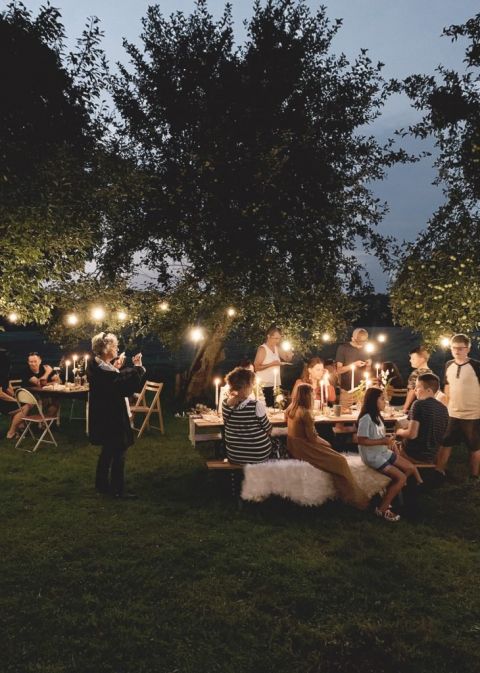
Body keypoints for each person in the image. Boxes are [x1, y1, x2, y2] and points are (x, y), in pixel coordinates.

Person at [285, 384, 369, 509]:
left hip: (294, 445)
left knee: (336, 459)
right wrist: (327, 443)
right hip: (304, 447)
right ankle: (353, 497)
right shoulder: (305, 413)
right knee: (340, 461)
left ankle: (346, 493)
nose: (313, 397)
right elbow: (312, 438)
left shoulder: (290, 408)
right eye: (312, 394)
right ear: (307, 396)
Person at [87, 332, 145, 498]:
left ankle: (102, 485)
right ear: (105, 348)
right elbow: (123, 387)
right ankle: (117, 490)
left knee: (107, 451)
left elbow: (114, 378)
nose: (117, 348)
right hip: (112, 417)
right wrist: (138, 368)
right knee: (119, 451)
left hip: (103, 415)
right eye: (114, 346)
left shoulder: (95, 365)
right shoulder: (104, 372)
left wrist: (116, 367)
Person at [357, 387, 422, 522]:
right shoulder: (366, 418)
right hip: (372, 456)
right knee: (401, 478)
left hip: (382, 451)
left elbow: (379, 436)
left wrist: (389, 440)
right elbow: (361, 440)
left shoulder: (378, 417)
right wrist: (383, 440)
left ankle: (388, 493)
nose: (385, 402)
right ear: (373, 401)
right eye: (382, 399)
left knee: (409, 468)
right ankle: (382, 509)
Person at [436, 334, 480, 482]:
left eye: (460, 348)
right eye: (454, 348)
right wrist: (447, 403)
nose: (457, 351)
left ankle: (474, 476)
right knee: (445, 442)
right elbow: (447, 384)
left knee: (474, 446)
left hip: (472, 414)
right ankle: (439, 471)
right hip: (453, 413)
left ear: (468, 349)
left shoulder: (476, 365)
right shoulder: (448, 364)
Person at [222, 367, 272, 464]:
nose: (253, 386)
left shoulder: (224, 404)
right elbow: (268, 429)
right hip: (257, 455)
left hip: (234, 455)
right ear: (246, 385)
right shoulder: (256, 405)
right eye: (252, 383)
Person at [395, 373, 449, 464]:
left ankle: (396, 475)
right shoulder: (443, 409)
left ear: (428, 390)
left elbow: (412, 434)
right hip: (431, 456)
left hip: (413, 454)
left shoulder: (418, 404)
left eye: (418, 387)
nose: (415, 390)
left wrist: (398, 431)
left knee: (390, 444)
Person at [254, 326, 293, 407]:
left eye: (279, 338)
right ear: (268, 336)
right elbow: (256, 367)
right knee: (267, 409)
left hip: (276, 385)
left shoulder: (276, 348)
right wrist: (272, 364)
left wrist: (290, 353)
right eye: (276, 338)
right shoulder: (262, 349)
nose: (278, 341)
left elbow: (287, 358)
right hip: (264, 386)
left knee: (277, 408)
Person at [402, 346, 447, 412]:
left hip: (417, 407)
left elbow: (411, 391)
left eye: (413, 358)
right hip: (430, 407)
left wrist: (405, 407)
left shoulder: (416, 373)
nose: (410, 360)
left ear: (422, 359)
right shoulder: (431, 373)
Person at [335, 328, 372, 406]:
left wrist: (369, 365)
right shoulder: (343, 348)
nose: (361, 345)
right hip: (347, 391)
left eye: (364, 342)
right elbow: (339, 370)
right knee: (345, 416)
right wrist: (353, 365)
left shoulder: (365, 349)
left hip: (362, 390)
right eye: (360, 342)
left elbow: (367, 372)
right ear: (353, 339)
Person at [0, 349, 29, 440]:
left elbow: (8, 387)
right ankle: (11, 432)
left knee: (25, 403)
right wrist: (15, 400)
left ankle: (20, 425)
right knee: (25, 406)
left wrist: (15, 396)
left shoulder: (4, 373)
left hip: (3, 399)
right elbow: (0, 394)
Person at [21, 352, 60, 418]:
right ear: (28, 362)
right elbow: (39, 384)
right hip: (29, 396)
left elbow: (59, 381)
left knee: (56, 401)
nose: (33, 364)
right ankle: (42, 420)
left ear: (40, 361)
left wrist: (48, 383)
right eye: (31, 362)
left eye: (35, 361)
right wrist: (47, 373)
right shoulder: (26, 371)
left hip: (43, 394)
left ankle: (45, 422)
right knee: (46, 399)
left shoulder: (44, 368)